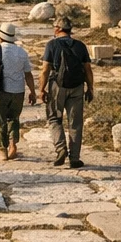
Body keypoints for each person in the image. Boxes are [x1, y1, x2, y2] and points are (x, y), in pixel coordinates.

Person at [40, 16, 94, 167]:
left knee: (54, 118)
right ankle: (75, 158)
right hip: (77, 87)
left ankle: (61, 148)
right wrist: (90, 88)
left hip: (57, 86)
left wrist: (42, 89)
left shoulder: (51, 45)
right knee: (75, 123)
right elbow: (88, 69)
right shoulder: (80, 46)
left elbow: (45, 70)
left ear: (58, 29)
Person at [0, 22, 36, 160]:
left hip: (1, 90)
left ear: (0, 37)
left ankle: (2, 149)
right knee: (13, 118)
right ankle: (13, 144)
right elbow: (28, 74)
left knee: (0, 119)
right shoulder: (22, 52)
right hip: (18, 92)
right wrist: (33, 92)